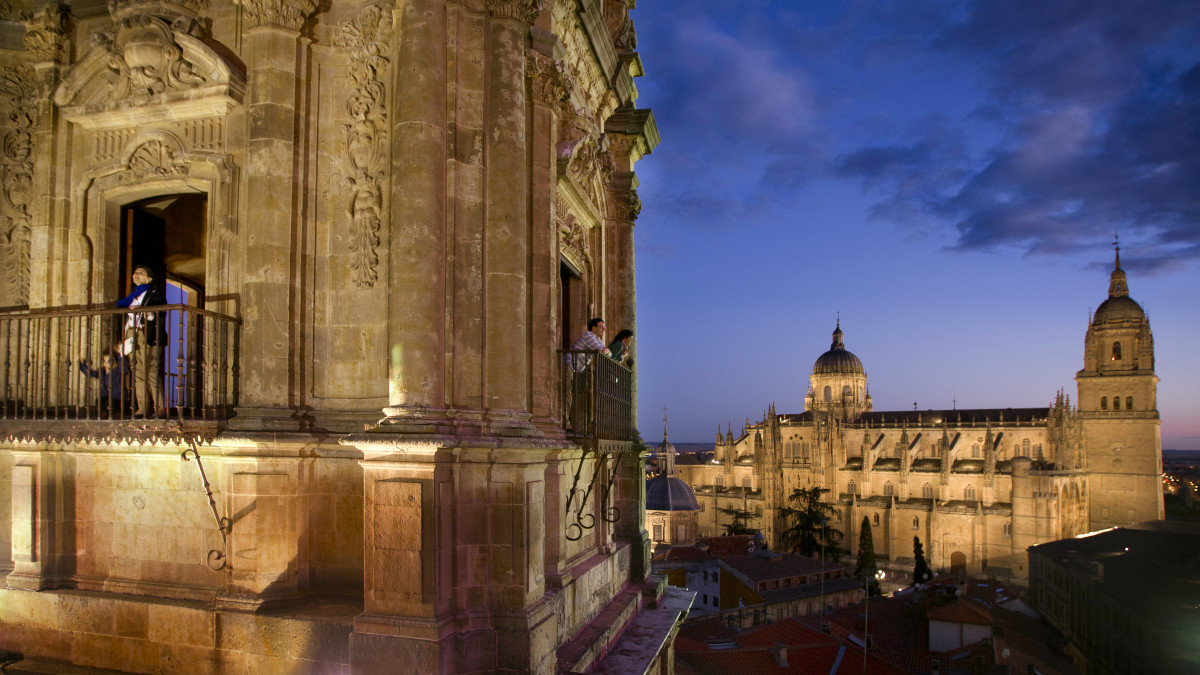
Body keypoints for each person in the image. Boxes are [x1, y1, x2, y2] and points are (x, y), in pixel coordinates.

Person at [116, 265, 165, 418]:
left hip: (147, 334)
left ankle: (160, 408)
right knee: (137, 372)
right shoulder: (132, 296)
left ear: (149, 278)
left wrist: (146, 313)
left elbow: (160, 314)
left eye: (140, 272)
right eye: (135, 272)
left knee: (150, 371)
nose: (135, 275)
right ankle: (142, 408)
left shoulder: (155, 294)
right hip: (132, 333)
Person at [78, 348, 128, 417]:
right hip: (105, 397)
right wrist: (83, 365)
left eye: (109, 362)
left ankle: (116, 413)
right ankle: (105, 414)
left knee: (111, 404)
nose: (105, 364)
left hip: (117, 398)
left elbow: (124, 368)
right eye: (104, 361)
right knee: (100, 402)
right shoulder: (102, 372)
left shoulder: (118, 372)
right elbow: (90, 373)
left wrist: (120, 355)